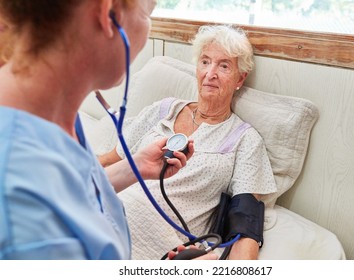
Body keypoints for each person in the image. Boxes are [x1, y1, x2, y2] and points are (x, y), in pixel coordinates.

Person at [0, 0, 219, 260]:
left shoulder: (54, 114)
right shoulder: (21, 199)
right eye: (147, 13)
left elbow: (74, 192)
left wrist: (134, 167)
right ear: (109, 13)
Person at [99, 25, 277, 260]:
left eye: (223, 66)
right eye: (205, 62)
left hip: (158, 249)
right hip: (102, 213)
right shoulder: (162, 110)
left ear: (240, 78)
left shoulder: (245, 139)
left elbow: (246, 225)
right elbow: (111, 160)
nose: (210, 73)